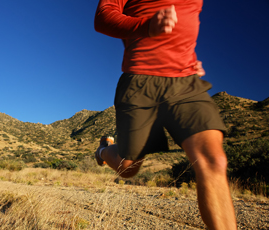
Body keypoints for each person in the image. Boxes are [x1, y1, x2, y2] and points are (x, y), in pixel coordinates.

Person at [94, 0, 237, 229]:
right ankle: (103, 150)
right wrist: (146, 27)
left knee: (214, 160)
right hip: (140, 80)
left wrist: (185, 54)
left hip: (186, 81)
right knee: (128, 167)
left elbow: (186, 20)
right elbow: (103, 18)